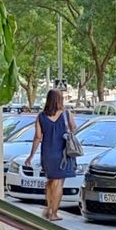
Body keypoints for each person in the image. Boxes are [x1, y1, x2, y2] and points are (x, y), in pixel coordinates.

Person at [26, 88, 79, 221]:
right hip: (63, 154)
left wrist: (31, 155)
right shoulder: (66, 113)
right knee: (58, 183)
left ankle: (48, 207)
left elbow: (38, 137)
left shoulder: (41, 116)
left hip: (47, 154)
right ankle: (53, 213)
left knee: (50, 182)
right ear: (60, 99)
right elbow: (74, 128)